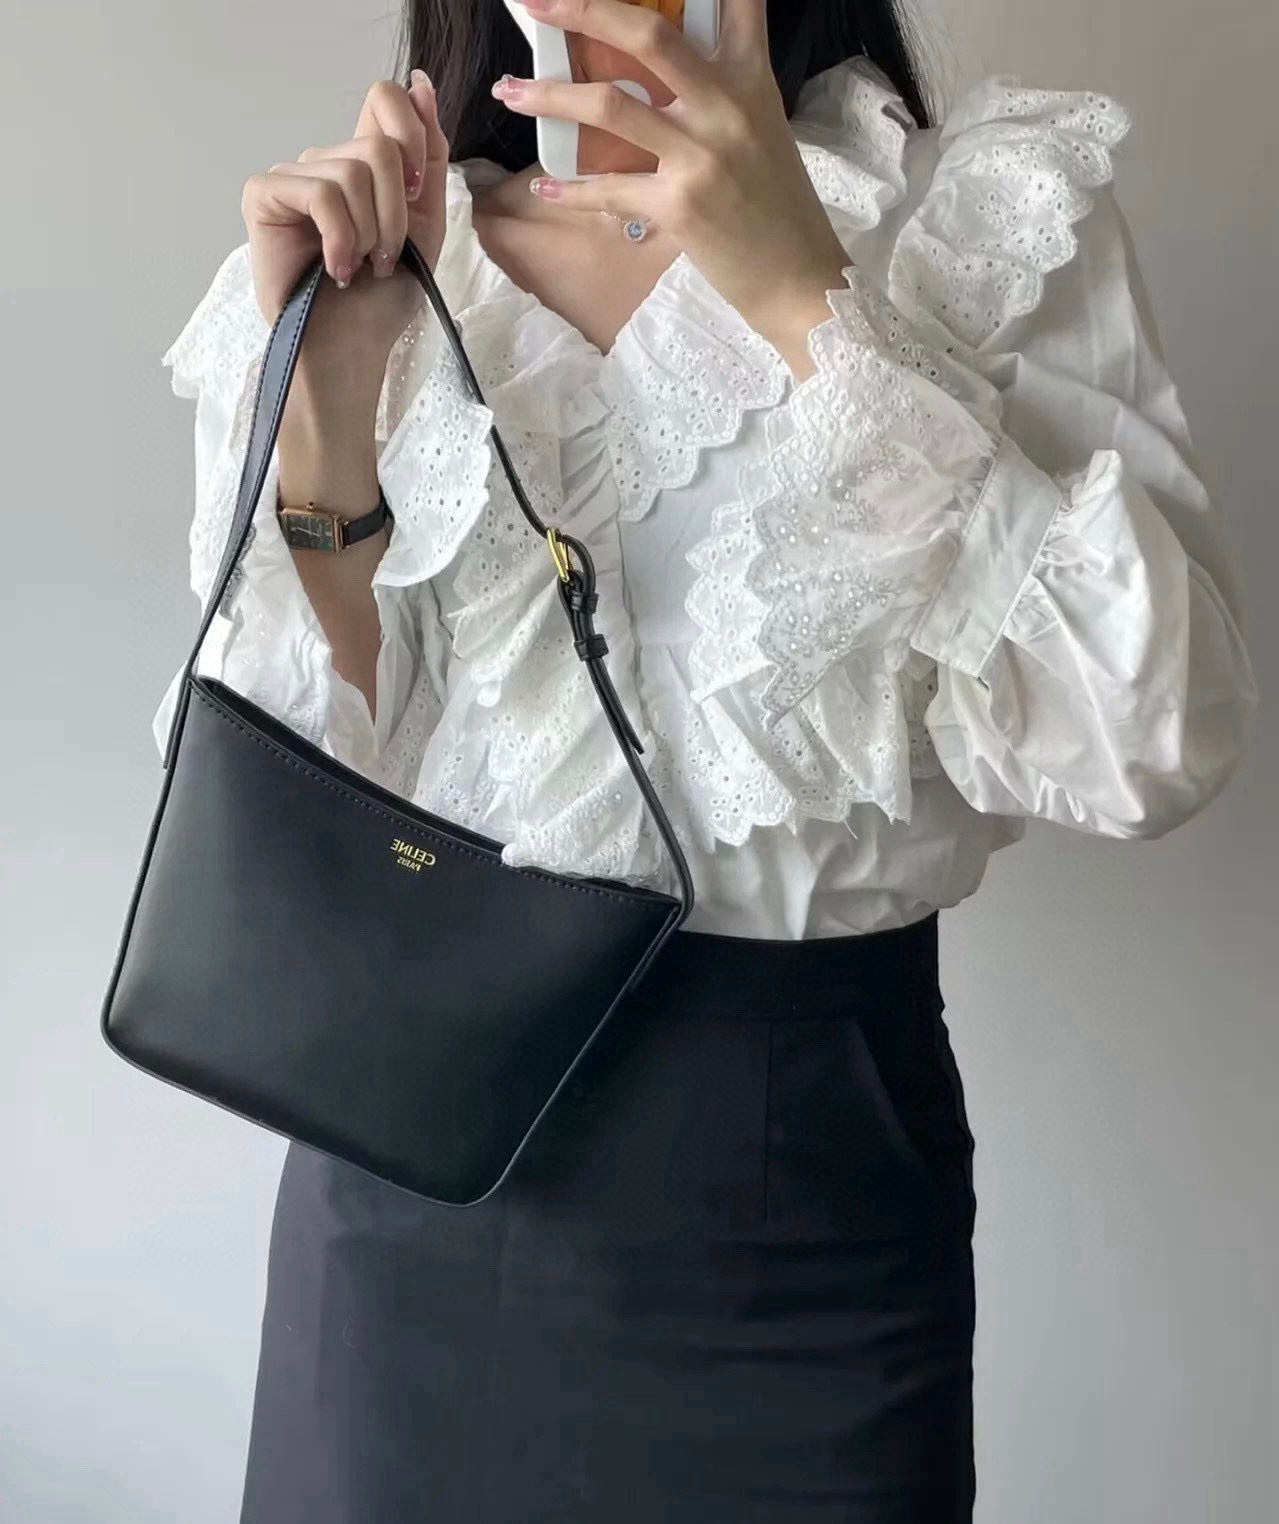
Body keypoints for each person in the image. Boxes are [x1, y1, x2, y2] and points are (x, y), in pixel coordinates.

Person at [150, 1, 1260, 1519]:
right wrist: (329, 417)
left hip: (808, 1252)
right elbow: (272, 831)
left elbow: (1157, 742)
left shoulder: (976, 213)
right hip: (409, 1222)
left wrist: (815, 305)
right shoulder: (371, 256)